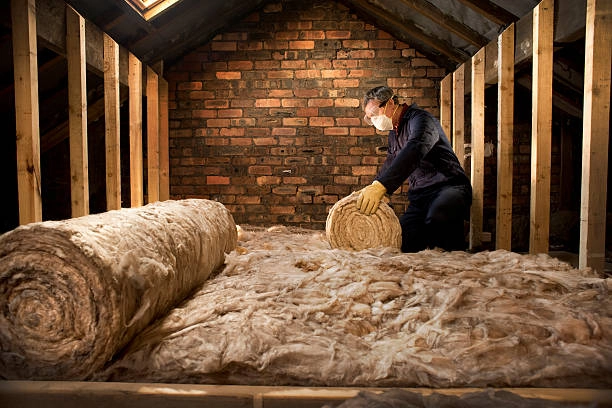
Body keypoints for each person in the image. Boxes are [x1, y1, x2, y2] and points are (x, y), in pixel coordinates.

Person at [356, 86, 472, 252]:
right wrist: (376, 186)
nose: (373, 120)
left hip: (449, 188)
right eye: (369, 118)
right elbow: (391, 161)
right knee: (404, 240)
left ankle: (456, 263)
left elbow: (416, 148)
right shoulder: (394, 131)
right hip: (420, 197)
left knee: (438, 222)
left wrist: (382, 186)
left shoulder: (421, 119)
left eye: (374, 114)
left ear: (390, 103)